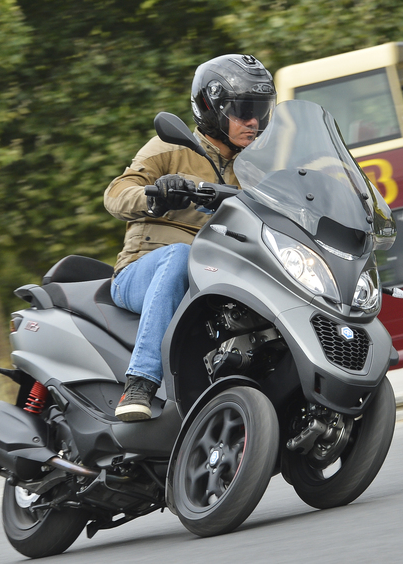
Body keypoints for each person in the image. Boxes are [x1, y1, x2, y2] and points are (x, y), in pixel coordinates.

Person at [104, 54, 276, 421]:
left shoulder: (257, 169)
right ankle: (139, 383)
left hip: (218, 275)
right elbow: (115, 195)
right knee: (180, 256)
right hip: (144, 270)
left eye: (260, 111)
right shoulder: (170, 148)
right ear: (211, 108)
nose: (253, 122)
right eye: (243, 110)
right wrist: (156, 197)